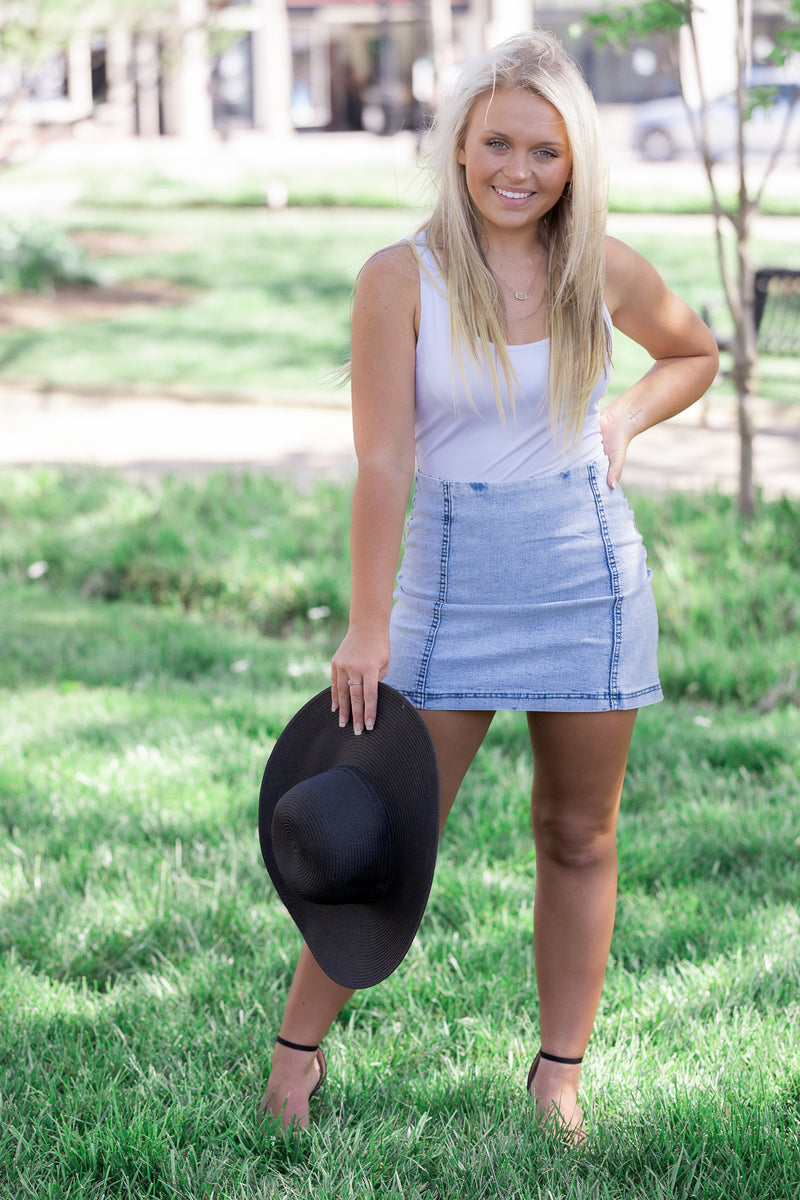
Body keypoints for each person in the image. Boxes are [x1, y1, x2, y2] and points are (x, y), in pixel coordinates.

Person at [261, 29, 719, 1140]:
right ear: (459, 146)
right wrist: (365, 627)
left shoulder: (599, 265)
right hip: (449, 587)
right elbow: (383, 463)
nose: (519, 170)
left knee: (578, 834)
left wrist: (620, 415)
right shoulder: (397, 277)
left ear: (575, 163)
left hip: (587, 582)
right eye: (497, 143)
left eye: (545, 153)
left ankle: (557, 1074)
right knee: (384, 829)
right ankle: (292, 1059)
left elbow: (692, 354)